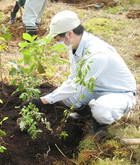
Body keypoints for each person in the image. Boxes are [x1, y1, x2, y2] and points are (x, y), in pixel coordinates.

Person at [28, 10, 137, 139]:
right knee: (66, 98)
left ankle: (100, 126)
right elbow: (74, 78)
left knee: (102, 109)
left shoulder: (97, 54)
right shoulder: (75, 46)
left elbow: (77, 85)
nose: (56, 42)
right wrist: (52, 97)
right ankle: (86, 114)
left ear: (69, 34)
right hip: (94, 87)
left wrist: (43, 100)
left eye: (57, 39)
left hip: (118, 93)